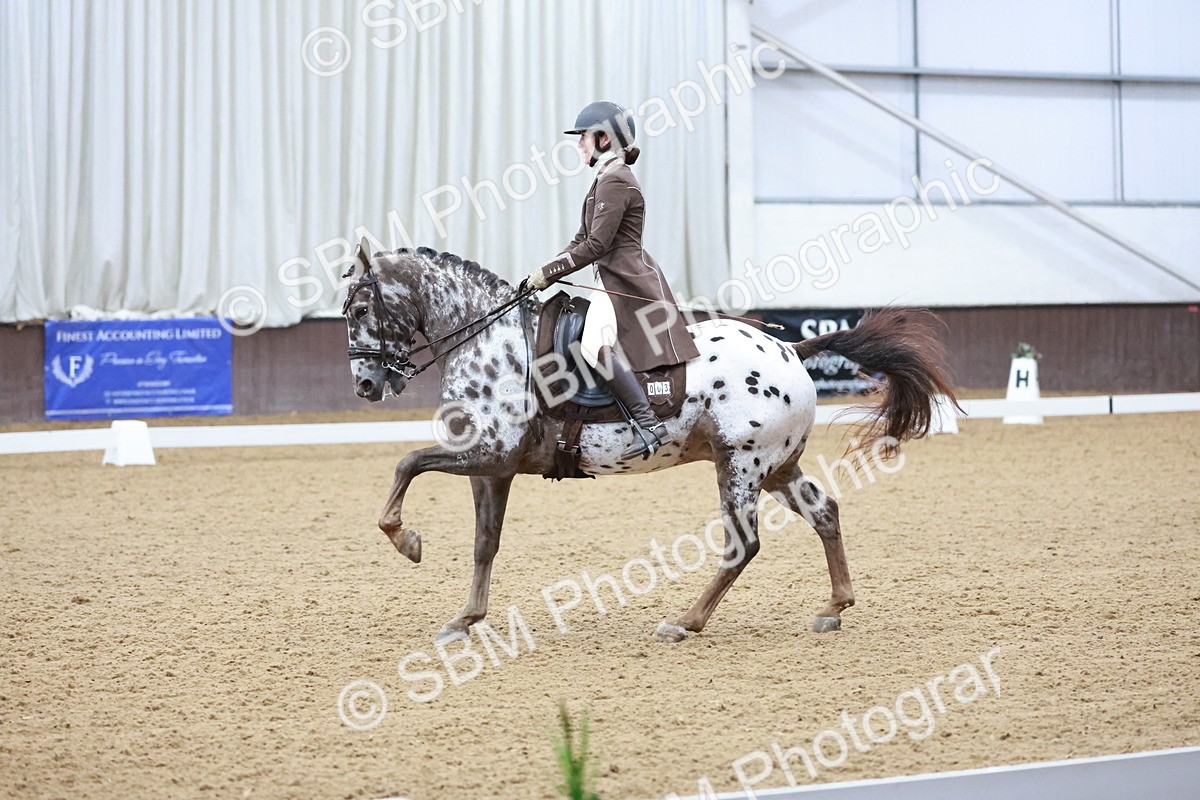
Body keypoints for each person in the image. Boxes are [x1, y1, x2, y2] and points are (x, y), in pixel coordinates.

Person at [525, 101, 700, 459]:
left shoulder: (615, 180)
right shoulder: (603, 180)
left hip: (623, 282)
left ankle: (648, 424)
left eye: (583, 137)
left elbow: (597, 245)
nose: (579, 144)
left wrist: (550, 274)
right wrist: (544, 270)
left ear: (604, 139)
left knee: (593, 344)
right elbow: (580, 239)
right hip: (610, 279)